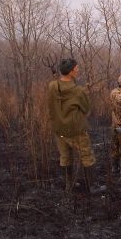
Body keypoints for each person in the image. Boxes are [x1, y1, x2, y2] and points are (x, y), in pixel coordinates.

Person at [47, 58, 106, 194]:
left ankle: (69, 185)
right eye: (76, 68)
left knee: (65, 156)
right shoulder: (78, 91)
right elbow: (86, 109)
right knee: (87, 155)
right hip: (76, 130)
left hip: (58, 128)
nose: (78, 70)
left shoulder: (52, 86)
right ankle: (93, 187)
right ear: (71, 71)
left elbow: (51, 106)